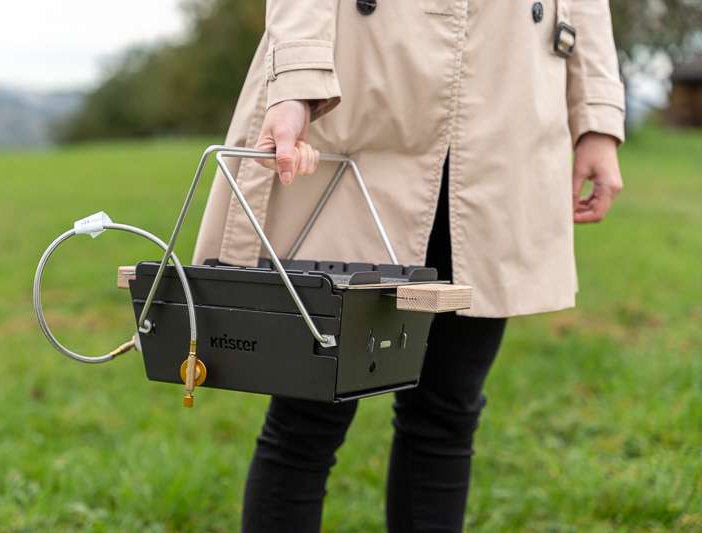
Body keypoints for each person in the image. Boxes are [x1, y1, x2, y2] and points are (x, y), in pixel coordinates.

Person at [193, 1, 624, 531]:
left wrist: (597, 118)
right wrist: (294, 83)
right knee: (309, 411)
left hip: (506, 105)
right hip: (362, 95)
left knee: (448, 411)